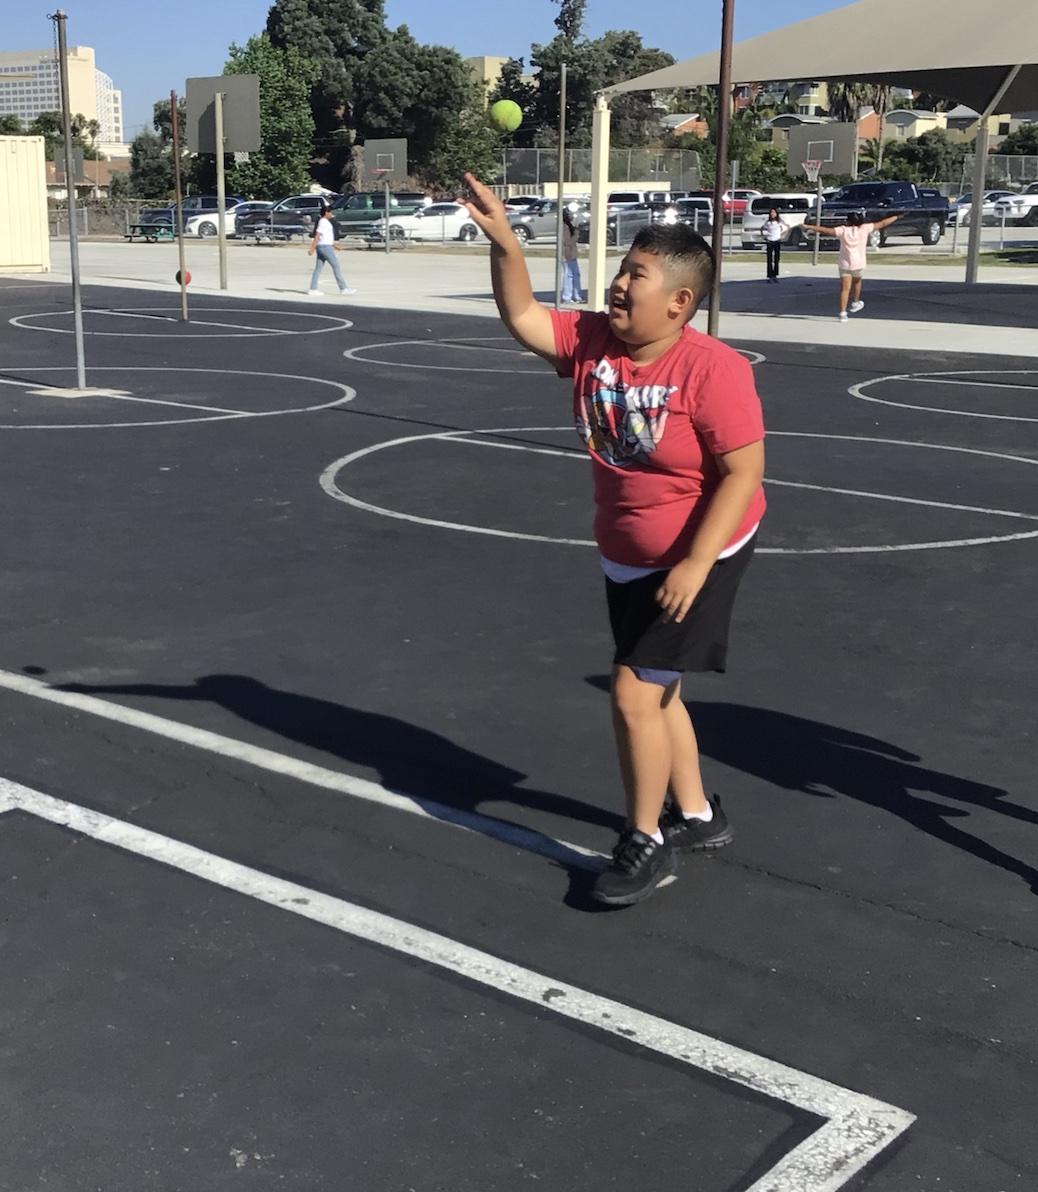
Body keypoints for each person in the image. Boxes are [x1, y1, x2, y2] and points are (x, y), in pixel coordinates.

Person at [460, 173, 766, 907]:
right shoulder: (594, 341)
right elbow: (525, 317)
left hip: (704, 549)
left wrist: (695, 563)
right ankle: (695, 814)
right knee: (659, 692)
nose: (620, 285)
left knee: (633, 693)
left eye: (637, 275)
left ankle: (645, 840)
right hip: (626, 550)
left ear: (680, 302)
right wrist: (505, 244)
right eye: (622, 270)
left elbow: (743, 471)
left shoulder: (710, 368)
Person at [800, 208, 900, 320]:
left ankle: (842, 313)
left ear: (848, 221)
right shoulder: (864, 229)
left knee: (844, 289)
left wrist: (809, 227)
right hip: (859, 263)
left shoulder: (843, 230)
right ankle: (855, 302)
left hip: (845, 263)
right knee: (857, 283)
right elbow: (882, 223)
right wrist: (897, 216)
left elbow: (826, 230)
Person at [307, 205, 355, 297]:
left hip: (324, 246)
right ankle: (343, 288)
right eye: (330, 212)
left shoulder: (324, 222)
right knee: (336, 266)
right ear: (326, 213)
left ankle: (313, 289)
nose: (332, 214)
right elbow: (317, 235)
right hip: (325, 247)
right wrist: (312, 248)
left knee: (318, 268)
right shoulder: (323, 222)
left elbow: (325, 237)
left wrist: (334, 245)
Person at [759, 207, 790, 283]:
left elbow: (788, 227)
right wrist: (763, 236)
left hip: (777, 241)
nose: (772, 214)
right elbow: (762, 228)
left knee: (776, 259)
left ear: (776, 214)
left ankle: (775, 275)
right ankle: (770, 276)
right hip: (769, 241)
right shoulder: (768, 222)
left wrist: (783, 235)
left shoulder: (779, 222)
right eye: (771, 212)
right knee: (769, 259)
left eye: (774, 212)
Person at [561, 207, 583, 303]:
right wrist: (576, 233)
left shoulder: (568, 225)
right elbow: (568, 241)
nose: (572, 217)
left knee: (576, 275)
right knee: (568, 275)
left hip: (572, 254)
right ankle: (567, 296)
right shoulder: (563, 227)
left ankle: (577, 295)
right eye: (570, 215)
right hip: (567, 254)